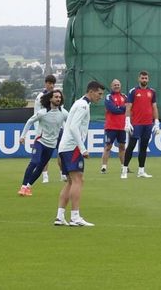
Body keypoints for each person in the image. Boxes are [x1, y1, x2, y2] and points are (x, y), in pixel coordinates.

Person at [56, 81, 103, 227]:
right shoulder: (83, 106)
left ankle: (59, 216)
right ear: (91, 91)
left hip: (65, 147)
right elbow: (74, 128)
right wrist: (82, 148)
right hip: (73, 148)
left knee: (71, 181)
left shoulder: (79, 103)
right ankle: (75, 217)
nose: (100, 97)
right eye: (99, 94)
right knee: (78, 180)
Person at [20, 89, 67, 196]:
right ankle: (23, 187)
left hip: (51, 145)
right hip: (40, 142)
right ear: (50, 99)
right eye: (56, 97)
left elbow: (70, 125)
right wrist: (23, 136)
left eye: (59, 97)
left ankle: (28, 187)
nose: (58, 99)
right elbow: (29, 121)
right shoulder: (42, 112)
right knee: (34, 162)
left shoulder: (63, 113)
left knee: (41, 167)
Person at [121, 70, 157, 179]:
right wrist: (127, 121)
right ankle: (124, 170)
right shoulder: (133, 91)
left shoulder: (152, 92)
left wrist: (157, 122)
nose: (144, 80)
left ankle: (141, 171)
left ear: (148, 79)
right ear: (139, 79)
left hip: (148, 124)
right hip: (136, 123)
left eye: (146, 78)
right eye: (142, 78)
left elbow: (154, 107)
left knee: (143, 147)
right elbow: (128, 107)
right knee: (131, 146)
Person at [100, 79, 127, 174]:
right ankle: (104, 167)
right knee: (108, 147)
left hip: (122, 126)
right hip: (111, 126)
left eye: (118, 85)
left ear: (120, 86)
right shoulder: (108, 97)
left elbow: (128, 108)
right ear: (111, 86)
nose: (116, 86)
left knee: (122, 147)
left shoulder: (124, 96)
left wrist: (119, 108)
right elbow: (112, 109)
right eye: (115, 85)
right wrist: (122, 108)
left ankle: (124, 167)